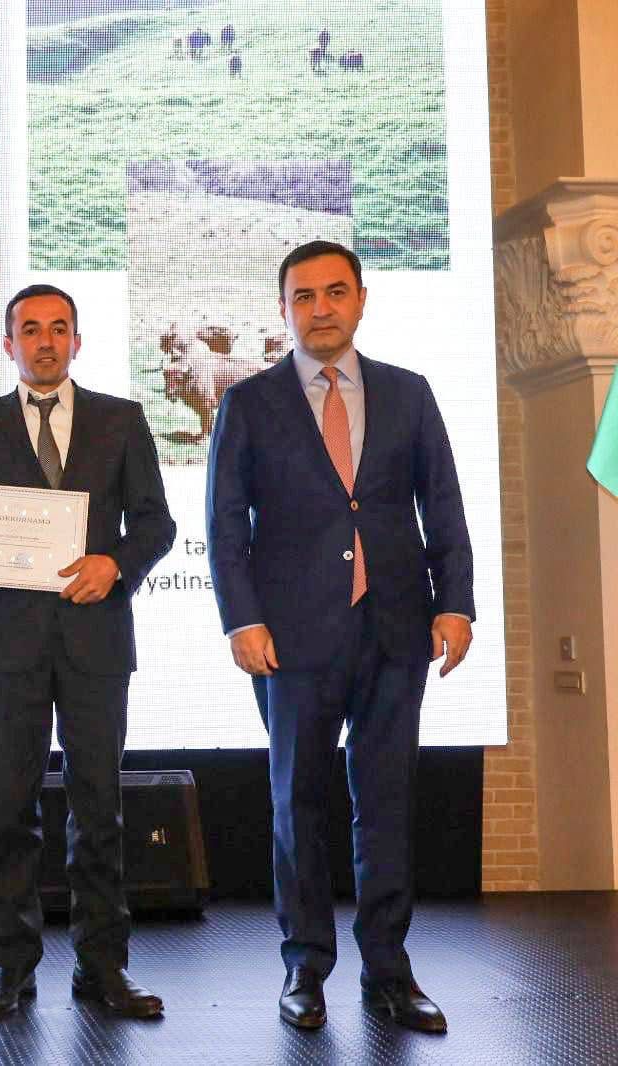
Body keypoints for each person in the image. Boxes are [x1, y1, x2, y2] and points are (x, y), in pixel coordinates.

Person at [206, 240, 474, 1033]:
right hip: (289, 637)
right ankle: (305, 966)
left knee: (386, 803)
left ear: (360, 300)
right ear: (283, 309)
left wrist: (456, 604)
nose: (320, 309)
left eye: (334, 292)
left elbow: (443, 506)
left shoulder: (409, 393)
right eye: (304, 296)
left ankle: (389, 970)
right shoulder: (249, 403)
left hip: (396, 627)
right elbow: (225, 523)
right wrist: (242, 618)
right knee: (298, 803)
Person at [0, 284, 175, 1021]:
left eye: (58, 328)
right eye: (30, 330)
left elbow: (156, 524)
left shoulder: (121, 420)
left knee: (100, 810)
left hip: (97, 641)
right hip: (9, 646)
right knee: (9, 811)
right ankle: (10, 966)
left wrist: (115, 564)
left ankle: (104, 967)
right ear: (8, 344)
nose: (44, 341)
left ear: (76, 340)